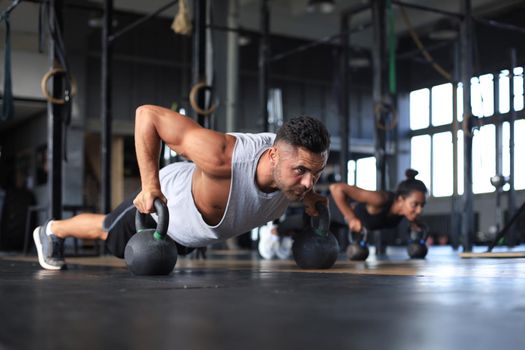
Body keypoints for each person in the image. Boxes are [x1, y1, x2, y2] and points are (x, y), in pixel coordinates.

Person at [33, 105, 331, 270]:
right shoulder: (222, 156)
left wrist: (308, 195)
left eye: (315, 174)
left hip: (193, 233)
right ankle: (52, 230)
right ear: (274, 155)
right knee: (106, 229)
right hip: (169, 206)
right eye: (302, 171)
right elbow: (146, 115)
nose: (308, 182)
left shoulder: (291, 174)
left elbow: (297, 179)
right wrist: (150, 186)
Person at [329, 169, 428, 235]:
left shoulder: (405, 212)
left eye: (422, 205)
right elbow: (336, 188)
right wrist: (351, 218)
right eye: (415, 204)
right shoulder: (380, 199)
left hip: (338, 224)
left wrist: (415, 223)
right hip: (324, 212)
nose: (419, 210)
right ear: (401, 199)